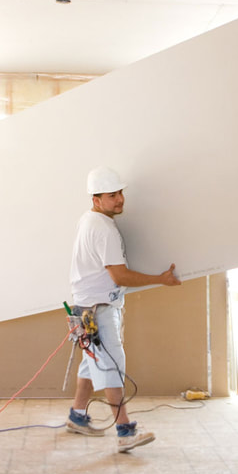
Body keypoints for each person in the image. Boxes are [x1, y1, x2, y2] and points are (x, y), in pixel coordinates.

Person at [66, 165, 181, 452]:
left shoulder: (89, 219)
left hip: (86, 307)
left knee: (91, 365)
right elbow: (120, 276)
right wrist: (160, 280)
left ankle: (77, 416)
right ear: (96, 199)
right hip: (98, 311)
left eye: (120, 193)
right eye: (111, 195)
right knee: (112, 368)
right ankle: (125, 431)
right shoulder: (103, 229)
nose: (119, 200)